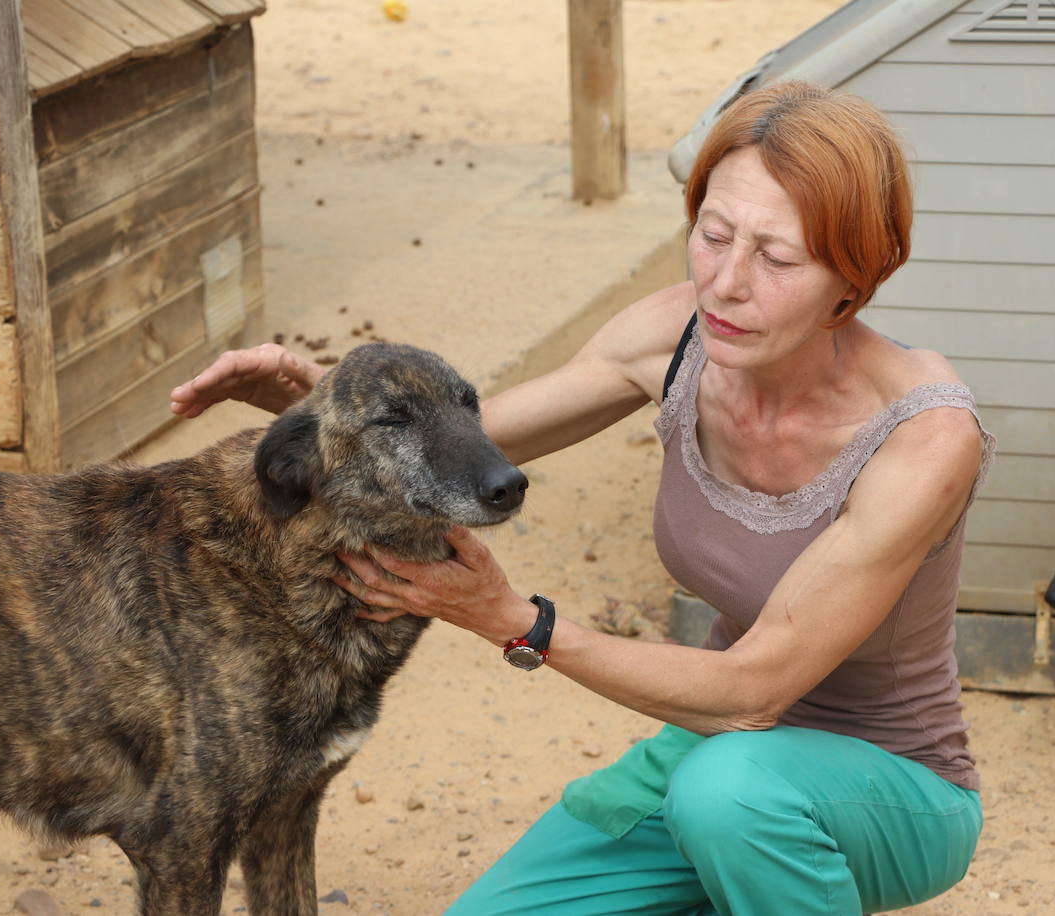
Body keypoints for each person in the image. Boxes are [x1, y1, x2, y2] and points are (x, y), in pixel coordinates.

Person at [170, 81, 993, 915]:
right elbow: (476, 443)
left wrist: (517, 621)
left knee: (730, 798)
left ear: (853, 277)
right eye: (712, 236)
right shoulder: (678, 338)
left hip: (887, 787)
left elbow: (754, 695)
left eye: (776, 259)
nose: (726, 284)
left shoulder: (923, 438)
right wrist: (318, 399)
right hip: (705, 752)